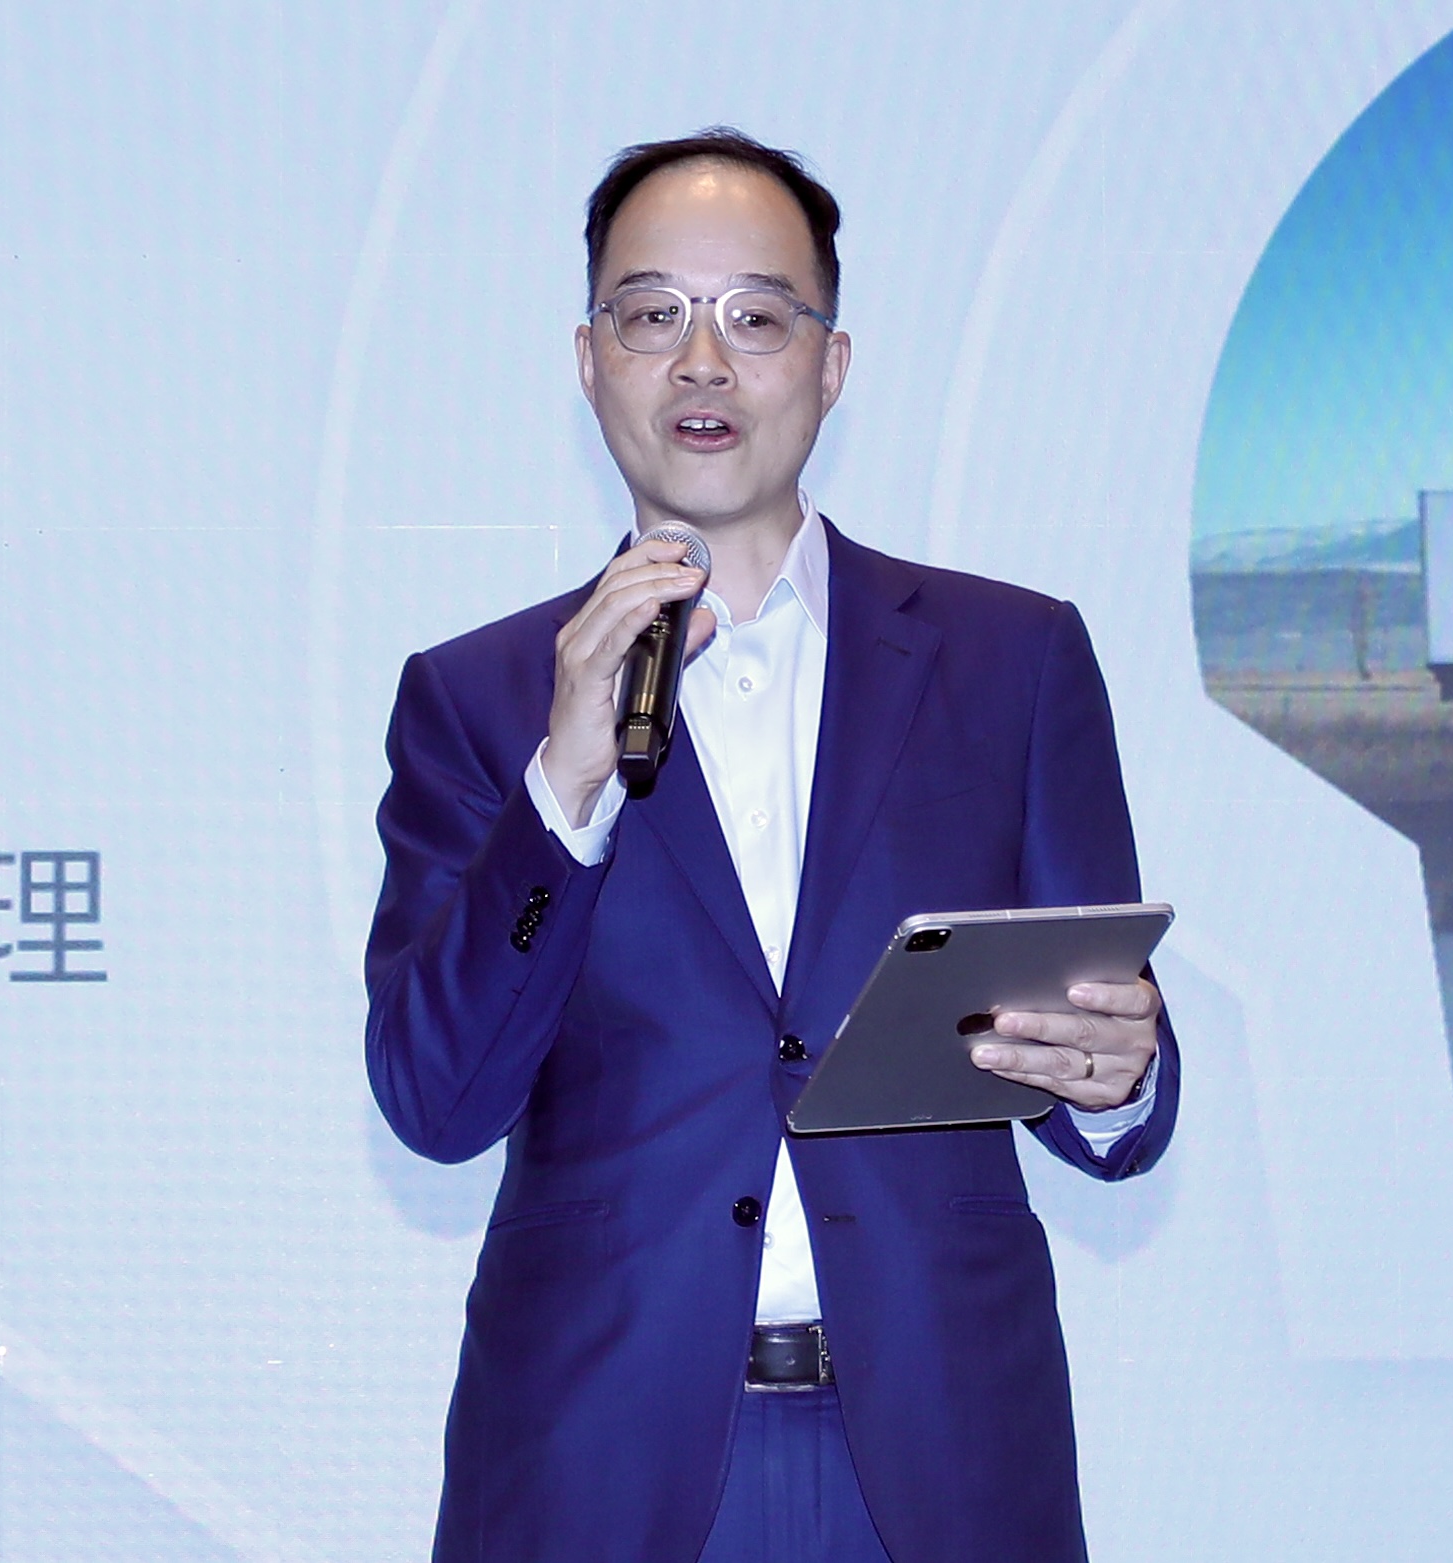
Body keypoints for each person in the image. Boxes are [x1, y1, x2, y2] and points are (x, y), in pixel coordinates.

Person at [365, 128, 1178, 1563]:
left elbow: (1096, 1047)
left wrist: (1119, 1076)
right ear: (588, 360)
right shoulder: (479, 697)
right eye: (651, 315)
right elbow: (437, 1099)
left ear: (832, 362)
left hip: (937, 1466)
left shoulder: (1012, 659)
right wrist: (562, 789)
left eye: (755, 317)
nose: (701, 362)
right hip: (601, 1467)